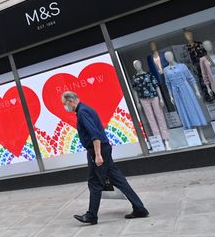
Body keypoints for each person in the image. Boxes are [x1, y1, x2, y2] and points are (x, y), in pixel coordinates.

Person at [61, 91, 149, 225]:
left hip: (98, 150)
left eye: (64, 103)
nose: (65, 106)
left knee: (95, 182)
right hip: (104, 149)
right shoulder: (85, 109)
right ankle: (139, 208)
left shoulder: (83, 112)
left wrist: (97, 155)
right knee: (118, 179)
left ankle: (91, 215)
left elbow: (95, 135)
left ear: (70, 101)